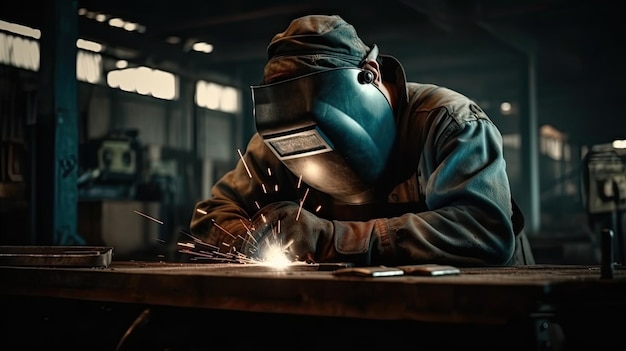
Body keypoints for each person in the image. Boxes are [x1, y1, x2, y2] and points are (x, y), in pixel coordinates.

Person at [190, 14, 534, 266]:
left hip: (486, 313)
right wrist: (250, 238)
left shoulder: (449, 122)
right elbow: (211, 219)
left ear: (372, 75)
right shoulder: (277, 140)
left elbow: (483, 232)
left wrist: (328, 238)